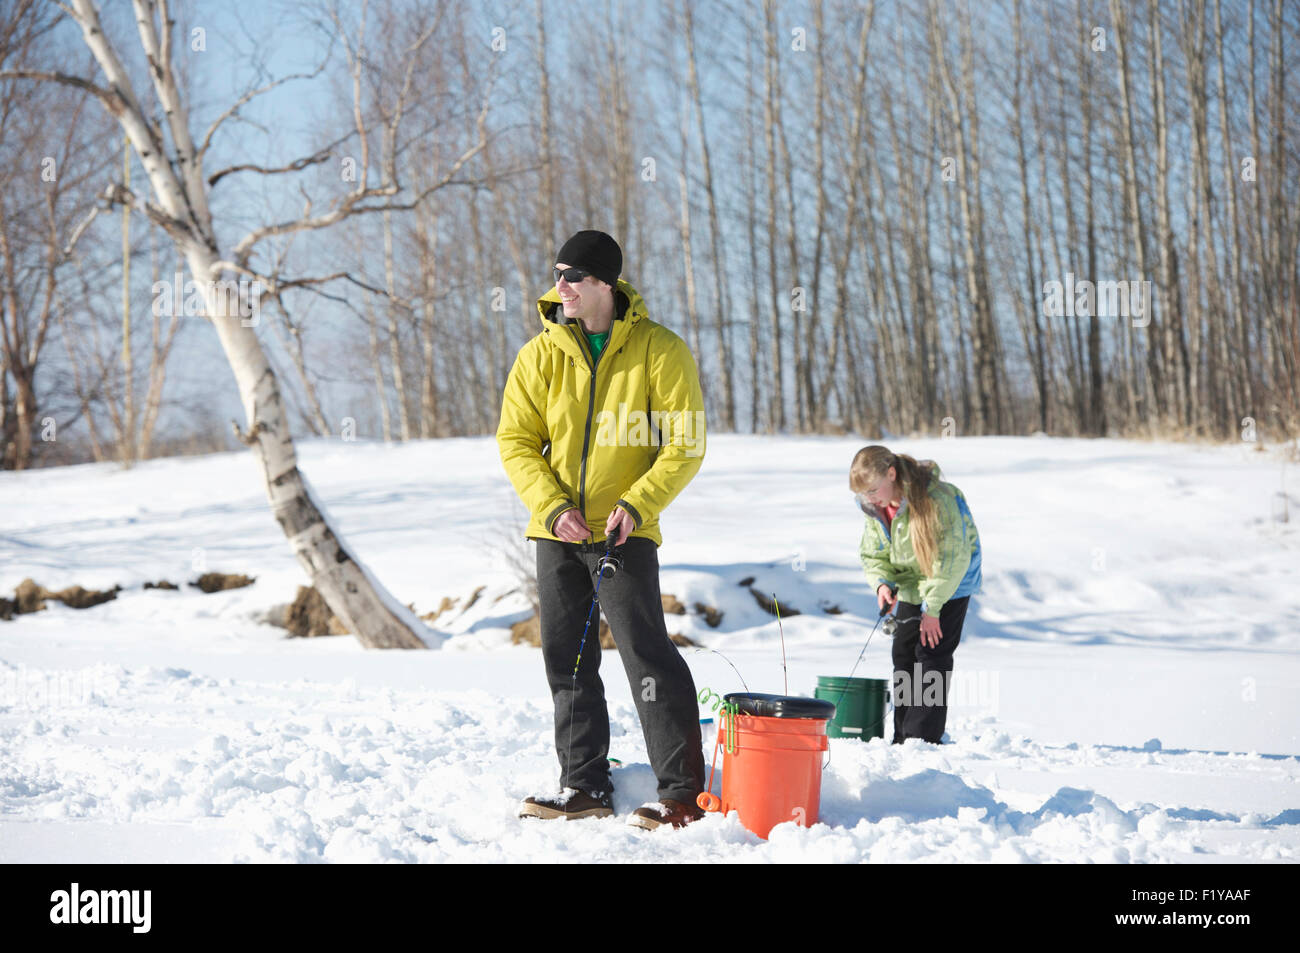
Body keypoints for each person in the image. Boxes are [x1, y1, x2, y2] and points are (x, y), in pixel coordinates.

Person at [496, 229, 708, 830]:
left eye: (574, 276)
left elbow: (685, 443)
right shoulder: (540, 355)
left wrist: (637, 504)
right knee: (566, 661)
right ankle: (583, 785)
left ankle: (682, 795)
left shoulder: (659, 350)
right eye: (557, 273)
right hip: (557, 532)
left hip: (624, 531)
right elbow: (516, 441)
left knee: (646, 655)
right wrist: (551, 505)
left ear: (605, 284)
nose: (559, 286)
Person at [849, 446, 982, 745]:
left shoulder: (937, 499)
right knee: (903, 654)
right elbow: (874, 553)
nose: (869, 498)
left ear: (891, 474)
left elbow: (952, 559)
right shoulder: (877, 508)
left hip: (950, 582)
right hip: (911, 583)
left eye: (872, 490)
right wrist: (882, 584)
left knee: (931, 654)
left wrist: (933, 609)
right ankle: (902, 738)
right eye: (863, 494)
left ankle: (922, 740)